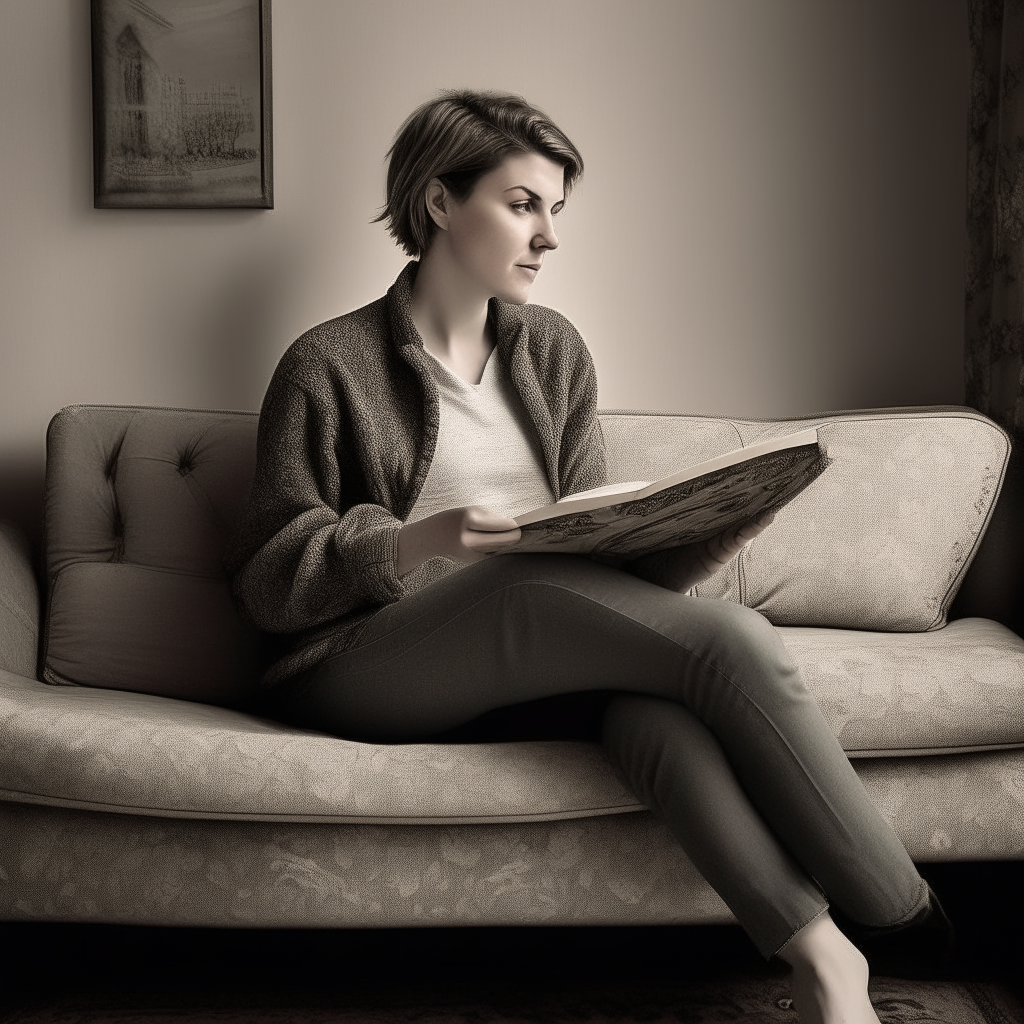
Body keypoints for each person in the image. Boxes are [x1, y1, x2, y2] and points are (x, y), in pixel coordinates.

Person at [227, 89, 948, 1024]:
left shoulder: (554, 352)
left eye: (554, 211)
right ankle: (912, 921)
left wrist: (706, 527)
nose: (548, 237)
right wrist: (420, 539)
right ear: (439, 202)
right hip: (358, 664)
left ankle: (826, 961)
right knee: (725, 638)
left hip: (527, 659)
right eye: (523, 203)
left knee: (658, 723)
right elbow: (269, 578)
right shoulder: (328, 363)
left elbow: (597, 564)